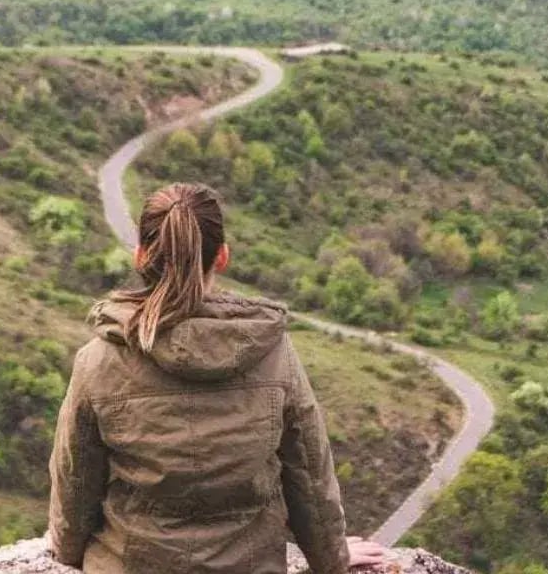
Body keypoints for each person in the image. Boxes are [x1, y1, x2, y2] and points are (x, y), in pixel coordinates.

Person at [48, 182, 388, 573]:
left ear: (141, 256)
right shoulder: (273, 353)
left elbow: (75, 484)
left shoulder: (99, 361)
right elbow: (308, 476)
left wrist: (66, 557)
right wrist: (332, 558)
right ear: (222, 256)